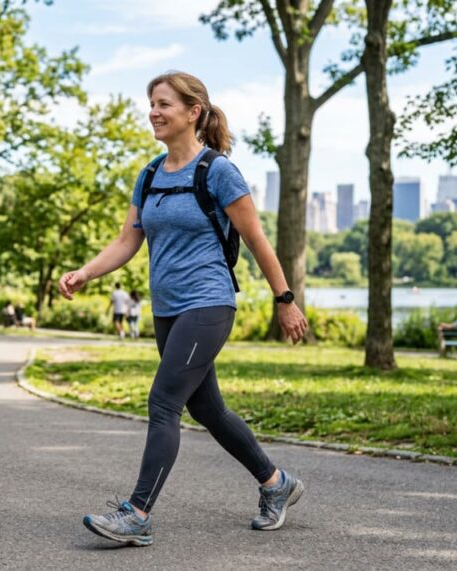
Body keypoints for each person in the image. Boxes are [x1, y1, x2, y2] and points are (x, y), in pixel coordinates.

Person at [58, 71, 309, 547]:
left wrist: (285, 301)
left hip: (209, 301)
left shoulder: (217, 171)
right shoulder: (150, 174)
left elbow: (256, 240)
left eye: (164, 103)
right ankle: (277, 484)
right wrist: (86, 272)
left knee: (163, 402)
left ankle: (137, 513)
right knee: (207, 408)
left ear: (193, 112)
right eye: (152, 103)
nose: (154, 111)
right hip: (168, 308)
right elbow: (128, 240)